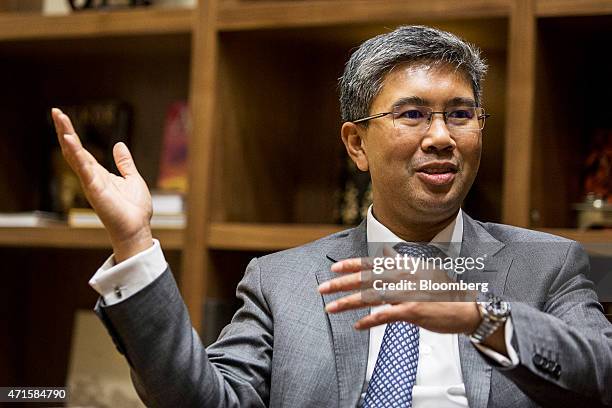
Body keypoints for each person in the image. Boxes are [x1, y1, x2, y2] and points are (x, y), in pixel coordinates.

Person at [51, 25, 611, 407]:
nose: (441, 136)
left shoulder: (546, 264)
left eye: (461, 114)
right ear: (357, 144)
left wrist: (480, 316)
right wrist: (135, 241)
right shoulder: (282, 282)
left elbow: (601, 374)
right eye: (413, 114)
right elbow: (201, 399)